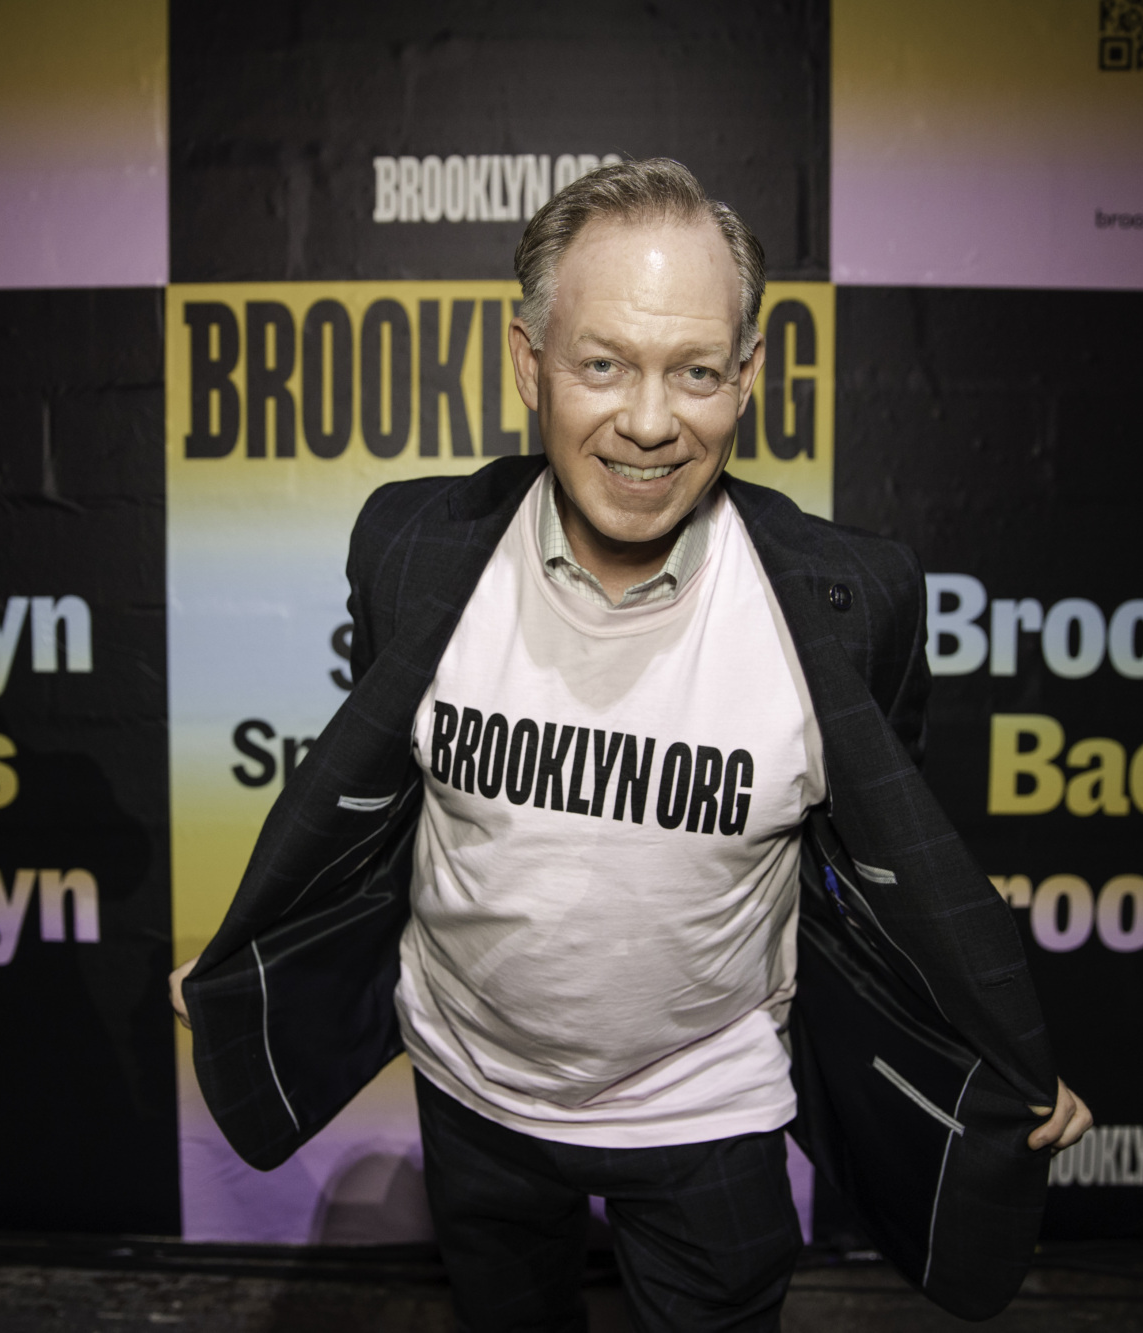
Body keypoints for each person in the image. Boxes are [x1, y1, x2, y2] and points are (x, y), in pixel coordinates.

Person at [172, 158, 1090, 1331]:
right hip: (468, 1099)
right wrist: (255, 971)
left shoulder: (854, 600)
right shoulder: (409, 549)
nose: (649, 422)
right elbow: (365, 815)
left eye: (694, 371)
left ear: (746, 377)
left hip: (711, 1115)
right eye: (601, 364)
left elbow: (886, 881)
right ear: (528, 364)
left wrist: (994, 1063)